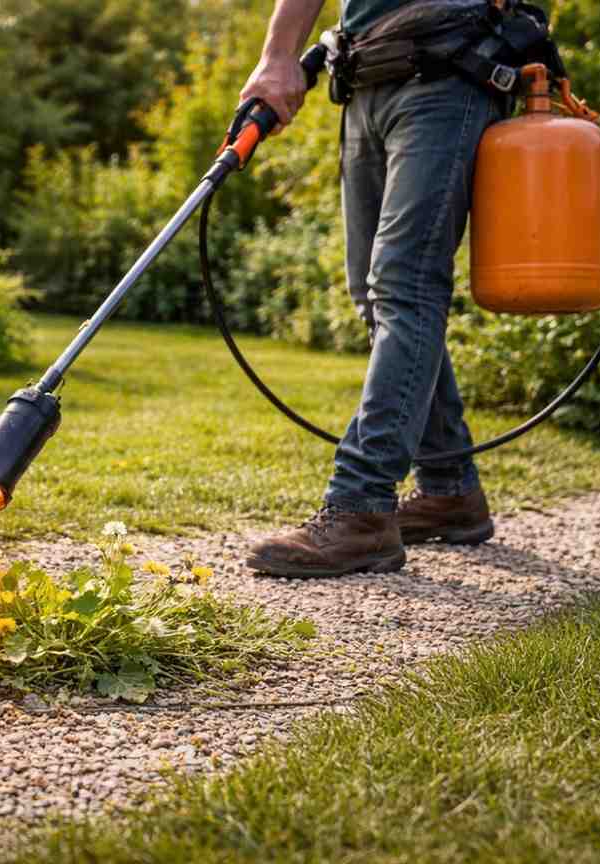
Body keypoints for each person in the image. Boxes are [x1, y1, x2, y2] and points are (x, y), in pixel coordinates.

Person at [241, 0, 498, 578]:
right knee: (374, 295)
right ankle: (450, 491)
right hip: (364, 76)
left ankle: (360, 508)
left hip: (449, 68)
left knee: (404, 289)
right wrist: (280, 57)